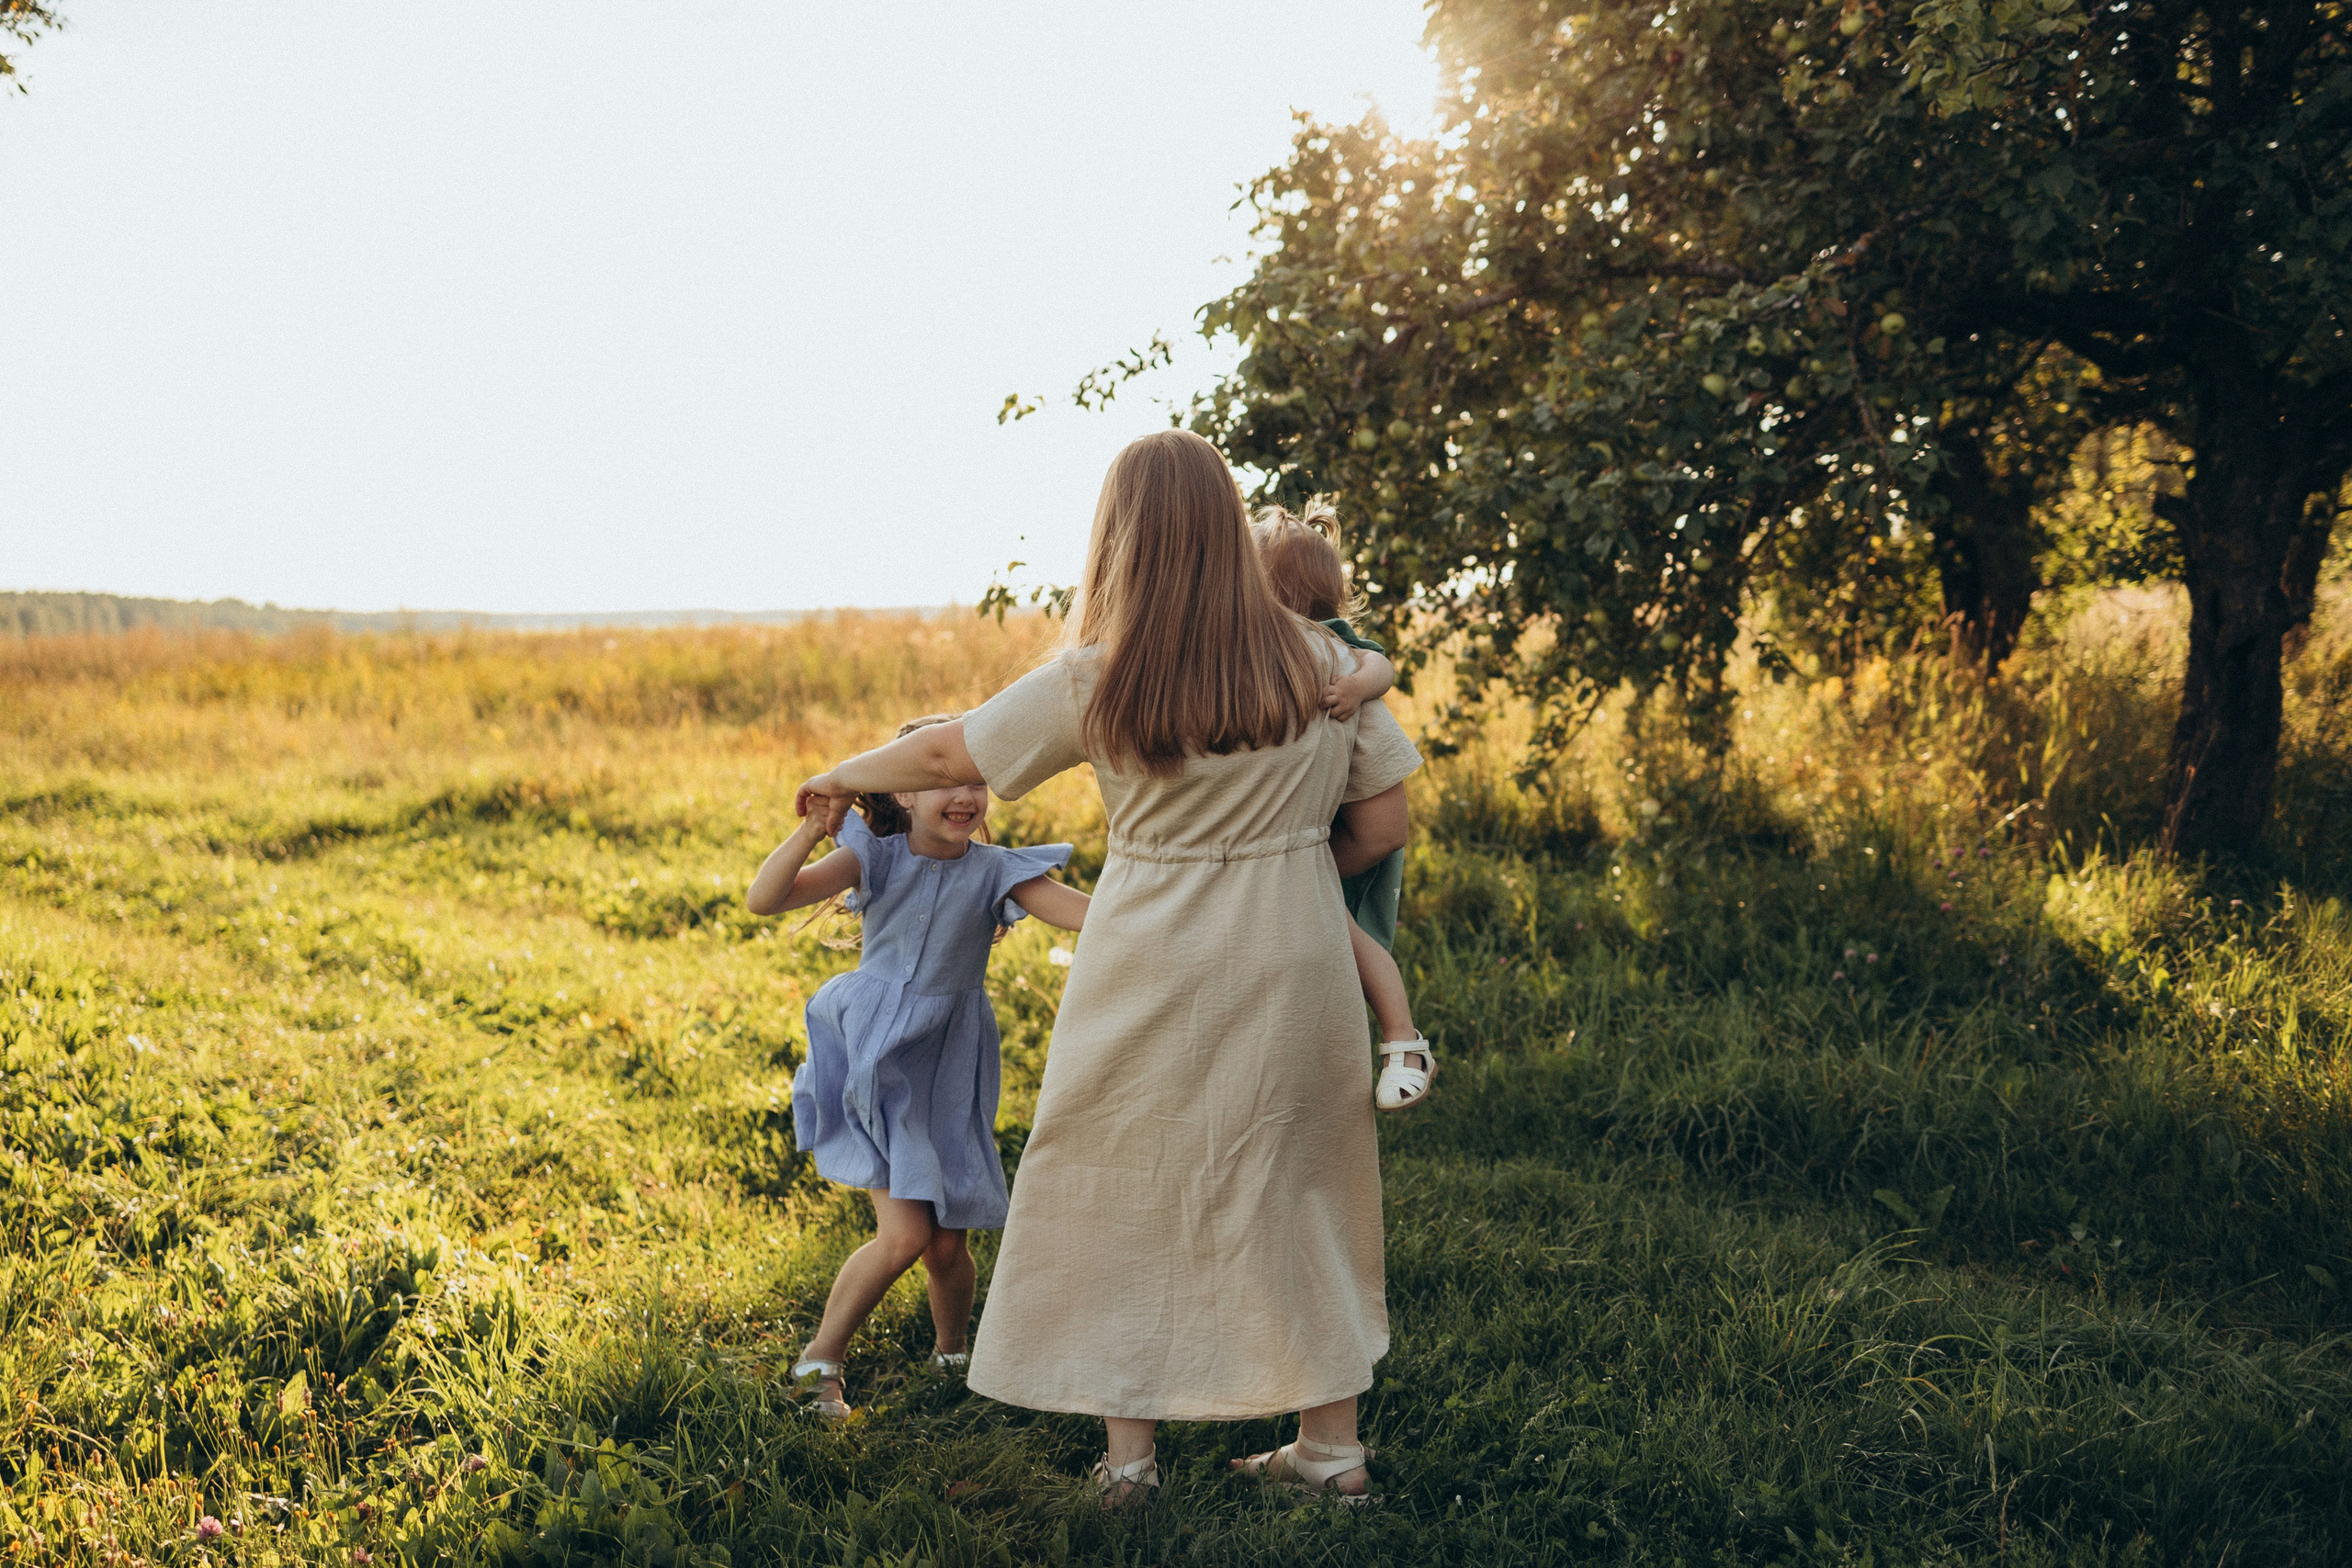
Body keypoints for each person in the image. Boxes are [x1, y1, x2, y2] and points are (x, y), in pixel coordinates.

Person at [795, 429, 1421, 1504]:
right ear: (1230, 527)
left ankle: (1130, 1465)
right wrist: (1282, 866)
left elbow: (954, 752)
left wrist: (842, 772)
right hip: (1296, 947)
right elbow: (1382, 824)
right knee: (1304, 1180)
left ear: (1119, 537)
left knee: (1112, 1181)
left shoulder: (1100, 673)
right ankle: (1330, 1453)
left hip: (1149, 951)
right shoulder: (1326, 664)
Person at [745, 713, 1088, 1419]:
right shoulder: (875, 856)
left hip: (951, 1060)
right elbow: (765, 898)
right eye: (940, 781)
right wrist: (814, 827)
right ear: (899, 793)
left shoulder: (997, 869)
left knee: (947, 1237)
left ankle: (952, 1353)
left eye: (975, 780)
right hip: (876, 1056)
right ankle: (818, 1367)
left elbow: (1085, 913)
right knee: (904, 1235)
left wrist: (1174, 894)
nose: (962, 794)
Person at [1254, 499, 1435, 1112]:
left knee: (1350, 934)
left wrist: (1356, 687)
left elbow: (1380, 664)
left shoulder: (1333, 646)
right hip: (1302, 839)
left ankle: (1404, 1039)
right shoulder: (1257, 649)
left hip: (1328, 841)